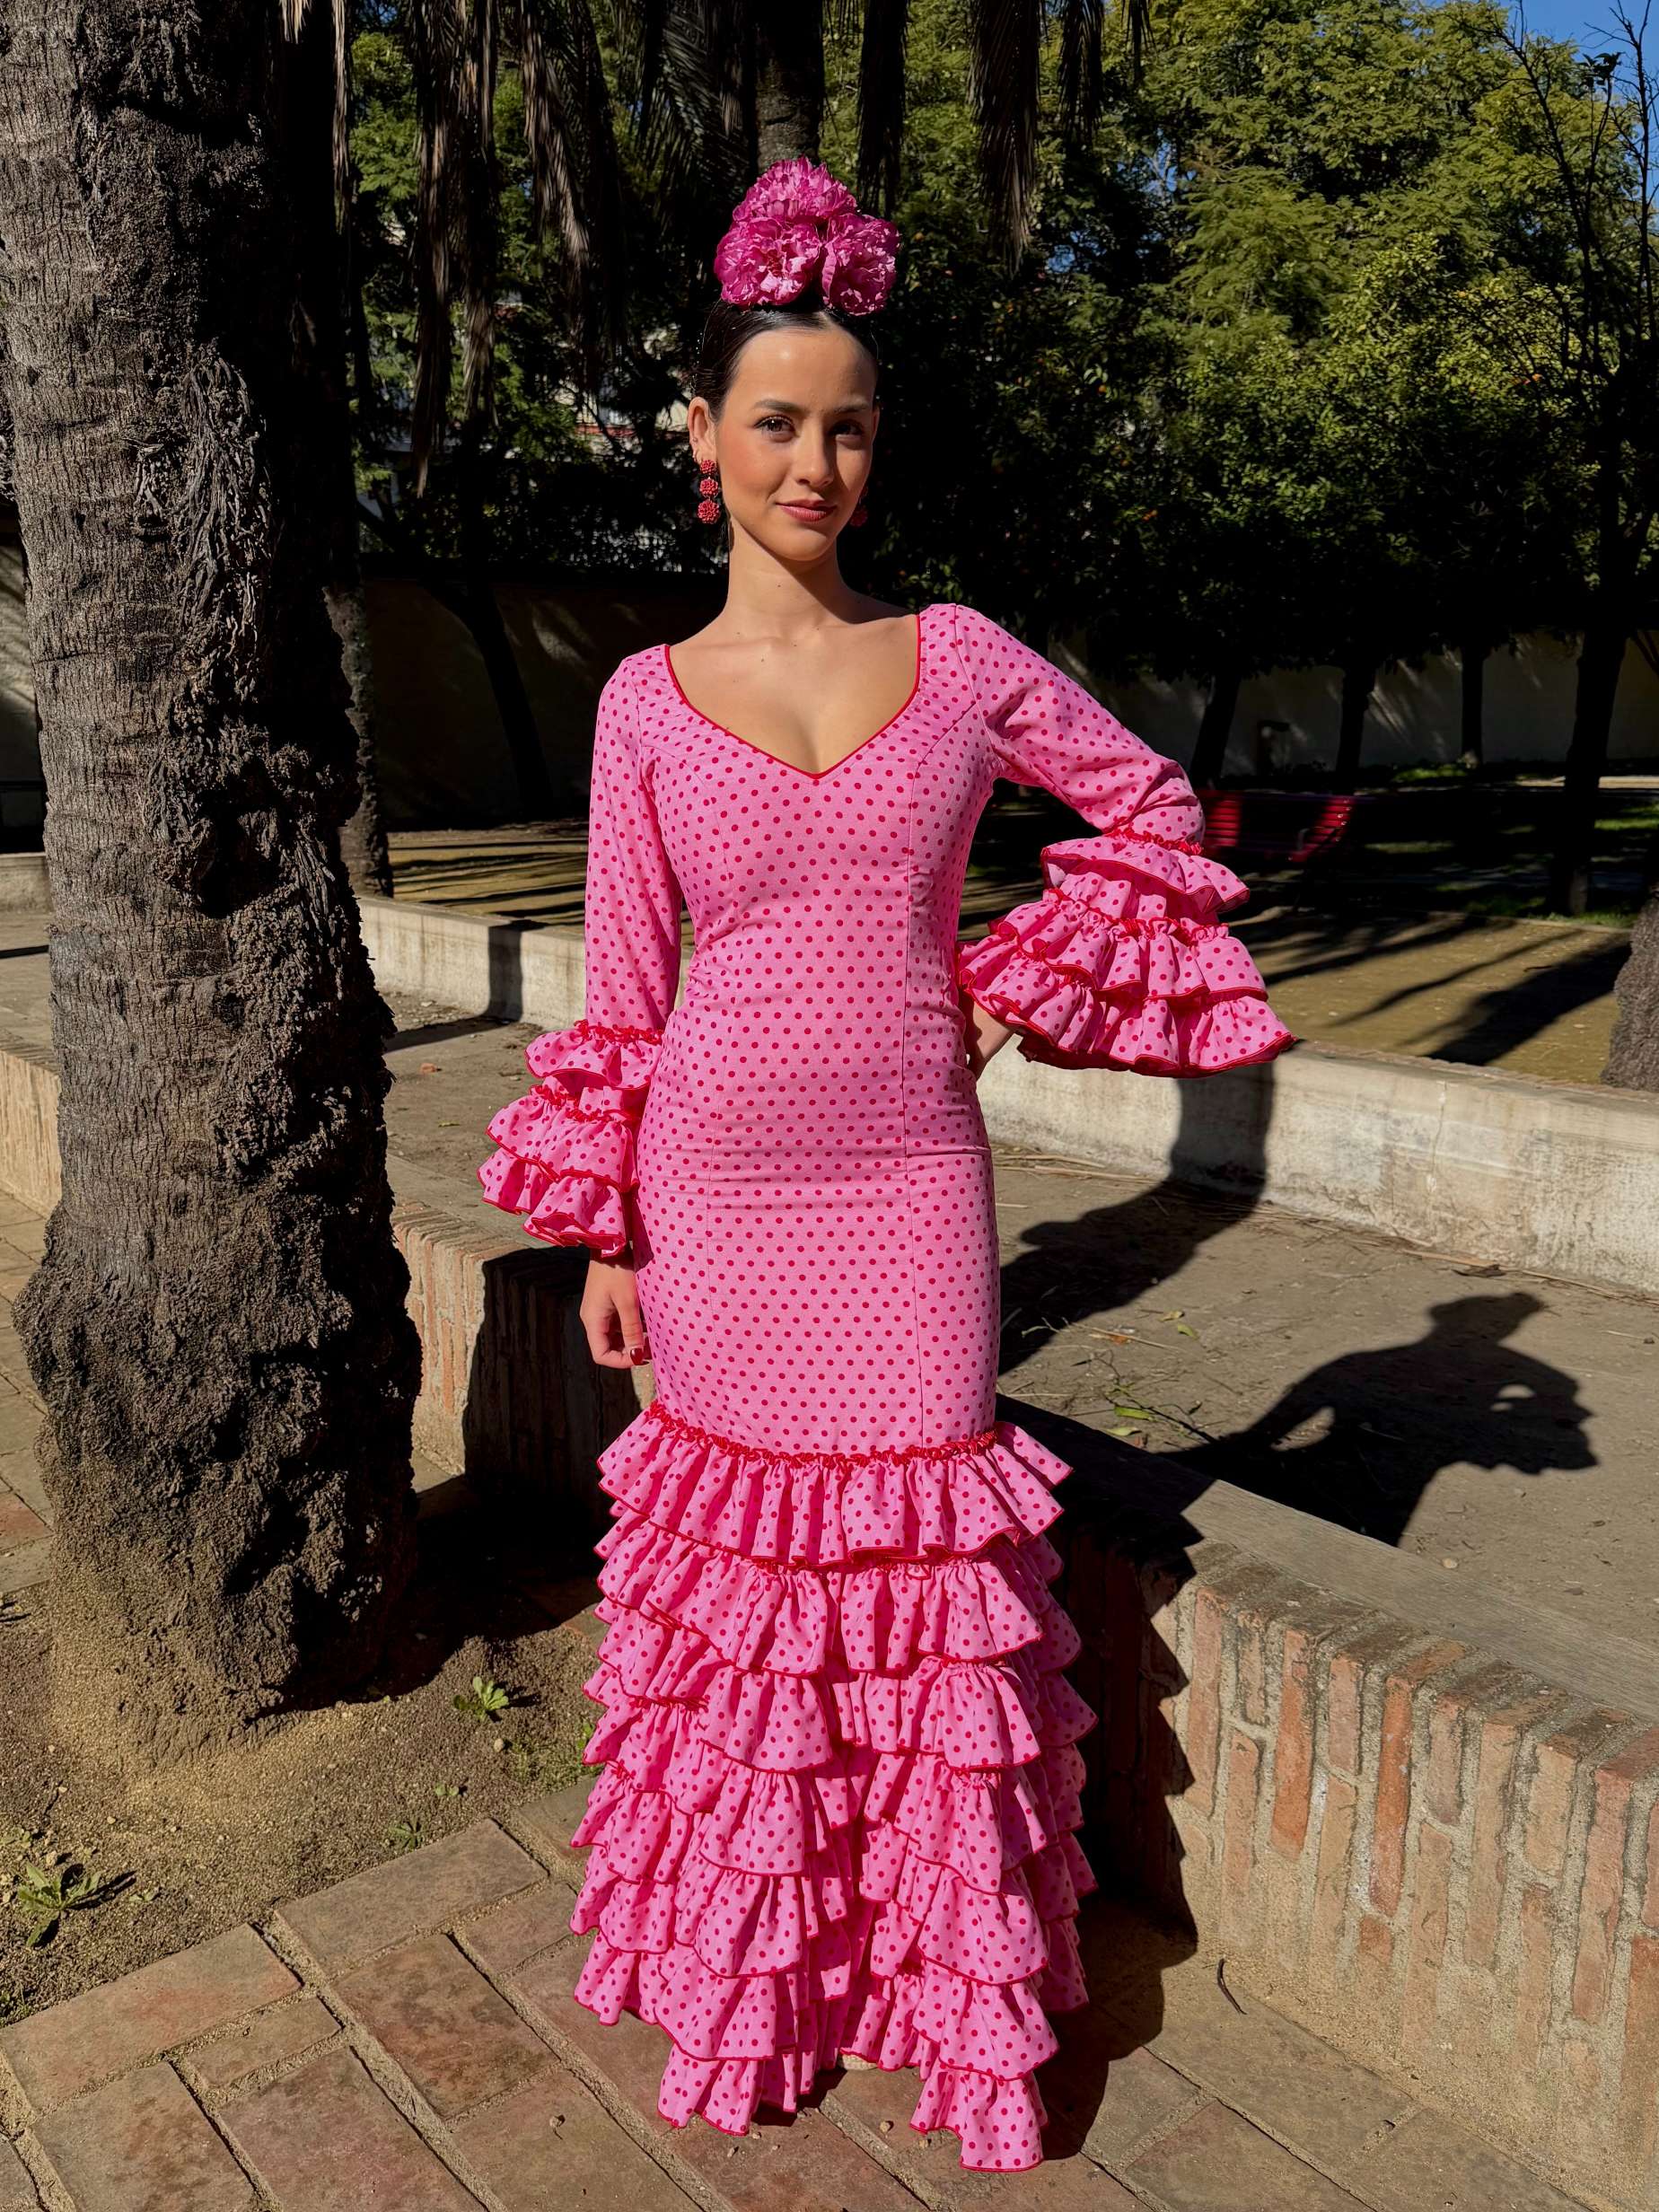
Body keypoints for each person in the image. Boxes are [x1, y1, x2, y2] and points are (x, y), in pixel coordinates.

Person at [478, 157, 1295, 2174]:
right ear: (705, 435)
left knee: (929, 1594)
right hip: (723, 1204)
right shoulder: (642, 705)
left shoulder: (961, 650)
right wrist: (607, 1221)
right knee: (748, 1599)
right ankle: (765, 1987)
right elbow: (622, 982)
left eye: (847, 424)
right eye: (777, 421)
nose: (816, 460)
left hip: (913, 1189)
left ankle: (948, 2004)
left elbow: (1153, 805)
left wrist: (1017, 984)